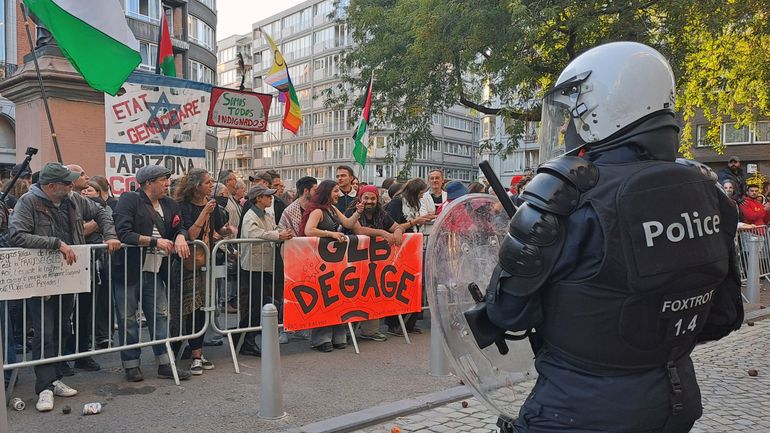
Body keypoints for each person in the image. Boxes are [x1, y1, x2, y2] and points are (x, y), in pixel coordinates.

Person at [467, 42, 743, 433]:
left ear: (600, 107)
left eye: (573, 112)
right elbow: (723, 315)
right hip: (675, 397)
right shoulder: (707, 188)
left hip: (577, 408)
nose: (566, 127)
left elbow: (507, 313)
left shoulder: (567, 194)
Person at [9, 163, 121, 412]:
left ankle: (54, 377)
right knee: (44, 332)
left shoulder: (73, 199)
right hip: (41, 279)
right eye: (67, 183)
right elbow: (16, 234)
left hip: (68, 276)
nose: (72, 186)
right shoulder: (28, 202)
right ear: (50, 187)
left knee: (62, 328)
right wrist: (55, 243)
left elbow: (102, 211)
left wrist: (110, 234)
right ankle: (44, 387)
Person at [112, 165, 192, 383]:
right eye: (163, 180)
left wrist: (181, 237)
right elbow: (124, 232)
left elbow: (180, 227)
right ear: (148, 183)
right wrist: (155, 241)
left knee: (160, 316)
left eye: (168, 179)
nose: (168, 183)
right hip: (129, 270)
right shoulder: (129, 199)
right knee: (128, 319)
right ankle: (131, 365)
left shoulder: (170, 204)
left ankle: (165, 363)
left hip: (156, 270)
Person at [175, 168, 234, 374]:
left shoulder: (213, 206)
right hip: (187, 266)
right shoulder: (182, 206)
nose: (211, 186)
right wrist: (204, 213)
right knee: (189, 310)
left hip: (207, 264)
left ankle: (197, 353)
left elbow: (217, 230)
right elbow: (191, 234)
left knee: (204, 308)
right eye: (208, 182)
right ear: (196, 186)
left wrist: (227, 230)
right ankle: (189, 353)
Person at [299, 179, 365, 352]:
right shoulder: (317, 211)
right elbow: (309, 230)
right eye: (335, 191)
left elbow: (348, 224)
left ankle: (338, 335)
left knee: (335, 298)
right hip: (317, 262)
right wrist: (332, 234)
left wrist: (358, 213)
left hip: (332, 262)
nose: (338, 194)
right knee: (323, 299)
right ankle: (321, 338)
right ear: (327, 192)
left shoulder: (332, 209)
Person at [237, 184, 293, 356]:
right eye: (267, 196)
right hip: (254, 266)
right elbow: (254, 233)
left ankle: (245, 336)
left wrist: (282, 232)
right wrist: (278, 235)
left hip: (264, 264)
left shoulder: (266, 214)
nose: (271, 198)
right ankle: (245, 337)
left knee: (262, 301)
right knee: (256, 303)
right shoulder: (250, 215)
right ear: (258, 198)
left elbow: (271, 228)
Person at [343, 185, 404, 342]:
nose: (369, 201)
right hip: (350, 263)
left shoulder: (382, 214)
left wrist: (397, 232)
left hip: (374, 265)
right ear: (360, 199)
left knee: (372, 294)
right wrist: (383, 233)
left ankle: (370, 331)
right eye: (366, 198)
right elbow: (358, 230)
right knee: (350, 296)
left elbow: (397, 226)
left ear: (377, 200)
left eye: (373, 198)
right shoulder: (352, 212)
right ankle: (346, 330)